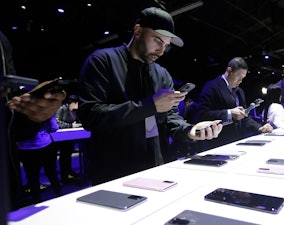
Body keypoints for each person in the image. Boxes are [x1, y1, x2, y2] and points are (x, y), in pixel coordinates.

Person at [77, 7, 223, 185]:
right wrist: (150, 105)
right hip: (114, 169)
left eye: (166, 45)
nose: (161, 50)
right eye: (157, 40)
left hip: (156, 164)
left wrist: (190, 130)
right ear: (138, 31)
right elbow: (90, 116)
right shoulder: (102, 61)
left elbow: (170, 117)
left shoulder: (162, 74)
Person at [1, 30, 66, 210]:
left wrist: (38, 111)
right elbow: (54, 128)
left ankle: (37, 200)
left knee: (32, 178)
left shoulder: (3, 40)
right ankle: (58, 198)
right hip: (42, 145)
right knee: (51, 174)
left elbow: (9, 100)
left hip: (23, 149)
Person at [194, 57, 273, 150]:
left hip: (237, 142)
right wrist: (229, 113)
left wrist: (259, 128)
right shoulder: (211, 87)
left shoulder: (240, 91)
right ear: (229, 70)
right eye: (238, 76)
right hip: (217, 145)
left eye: (243, 78)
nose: (240, 81)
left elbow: (244, 116)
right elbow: (201, 114)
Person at [55, 94, 81, 183]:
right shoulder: (62, 108)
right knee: (64, 156)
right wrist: (70, 125)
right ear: (74, 103)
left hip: (70, 137)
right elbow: (57, 123)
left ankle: (69, 171)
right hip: (61, 138)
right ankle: (64, 176)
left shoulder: (74, 111)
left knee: (68, 154)